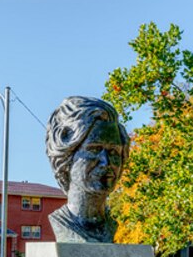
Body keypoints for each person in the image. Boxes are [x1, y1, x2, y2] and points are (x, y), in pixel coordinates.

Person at [45, 96, 130, 243]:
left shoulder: (111, 227)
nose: (106, 162)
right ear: (66, 157)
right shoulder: (64, 224)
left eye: (114, 152)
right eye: (94, 149)